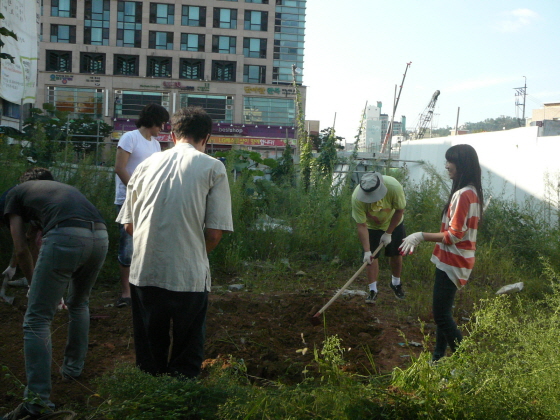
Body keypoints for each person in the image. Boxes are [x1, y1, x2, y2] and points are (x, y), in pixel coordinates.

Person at [116, 106, 233, 378]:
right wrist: (193, 254)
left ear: (171, 133)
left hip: (145, 273)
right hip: (188, 276)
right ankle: (182, 400)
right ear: (206, 137)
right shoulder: (213, 167)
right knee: (186, 353)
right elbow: (215, 233)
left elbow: (129, 225)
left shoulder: (145, 166)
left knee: (149, 356)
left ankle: (150, 399)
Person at [1, 172, 108, 419]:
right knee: (79, 303)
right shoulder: (46, 191)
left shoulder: (13, 196)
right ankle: (72, 370)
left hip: (67, 237)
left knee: (36, 318)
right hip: (100, 236)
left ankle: (36, 403)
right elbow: (31, 236)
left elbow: (20, 248)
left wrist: (31, 285)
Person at [399, 144, 483, 362]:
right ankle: (438, 359)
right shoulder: (472, 191)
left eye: (450, 162)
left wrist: (421, 235)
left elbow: (454, 235)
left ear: (461, 164)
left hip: (453, 259)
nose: (446, 166)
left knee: (441, 315)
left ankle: (462, 361)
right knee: (443, 313)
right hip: (457, 259)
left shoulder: (463, 194)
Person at [114, 103, 169, 308]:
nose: (162, 128)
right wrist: (137, 191)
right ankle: (126, 293)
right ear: (153, 120)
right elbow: (120, 168)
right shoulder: (130, 138)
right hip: (128, 200)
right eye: (161, 123)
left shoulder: (155, 144)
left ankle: (143, 288)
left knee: (147, 245)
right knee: (127, 247)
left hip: (149, 201)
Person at [352, 171, 407, 302]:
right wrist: (367, 251)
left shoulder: (394, 187)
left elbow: (400, 210)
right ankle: (373, 290)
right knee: (371, 258)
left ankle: (395, 283)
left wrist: (389, 233)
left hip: (394, 222)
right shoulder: (357, 197)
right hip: (371, 227)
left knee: (396, 254)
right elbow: (361, 225)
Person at [1, 168, 54, 288]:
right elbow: (20, 245)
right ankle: (33, 281)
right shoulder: (13, 199)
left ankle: (33, 278)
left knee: (34, 238)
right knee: (28, 240)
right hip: (10, 211)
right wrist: (13, 266)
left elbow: (26, 239)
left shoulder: (45, 197)